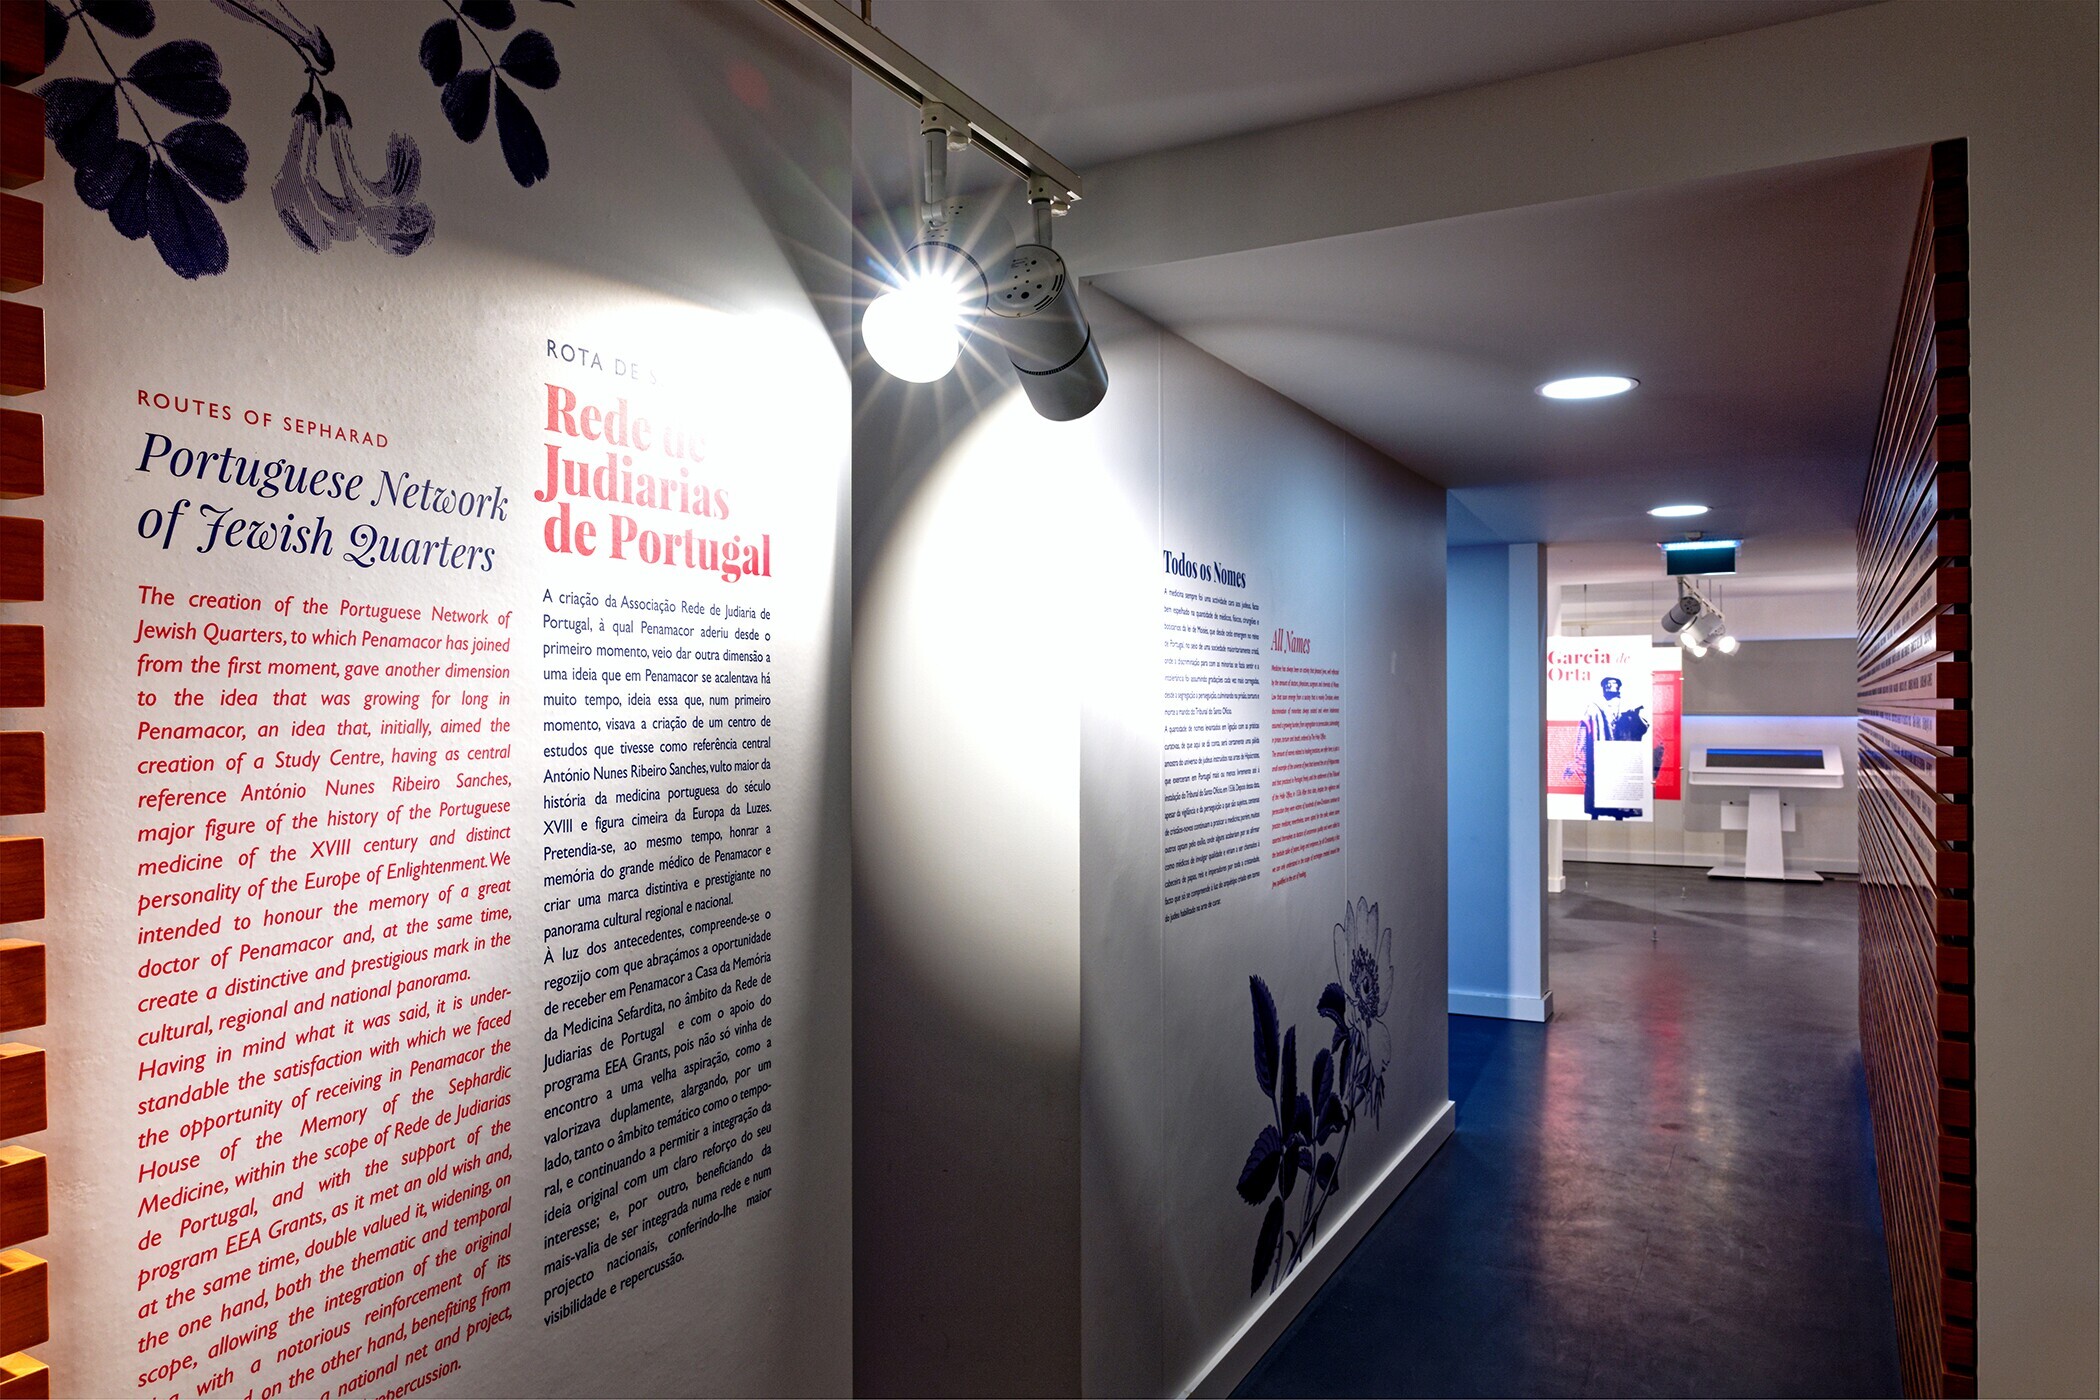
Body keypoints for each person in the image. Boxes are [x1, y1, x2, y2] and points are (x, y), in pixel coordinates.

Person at [1581, 676, 1649, 818]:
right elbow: (1584, 726)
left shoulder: (1629, 704)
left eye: (1612, 683)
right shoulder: (1594, 706)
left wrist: (1634, 715)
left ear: (1618, 687)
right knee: (1598, 785)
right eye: (1606, 684)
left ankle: (1620, 814)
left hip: (1621, 752)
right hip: (1601, 751)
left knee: (1620, 787)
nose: (1609, 686)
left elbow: (1643, 726)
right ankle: (1595, 814)